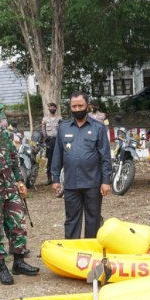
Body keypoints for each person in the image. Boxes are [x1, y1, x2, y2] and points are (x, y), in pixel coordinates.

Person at [0, 103, 39, 285]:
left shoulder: (4, 134)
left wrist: (19, 181)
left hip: (10, 186)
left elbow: (13, 159)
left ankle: (18, 262)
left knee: (18, 224)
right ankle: (1, 267)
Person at [51, 91, 112, 239]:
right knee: (71, 220)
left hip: (93, 183)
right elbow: (58, 154)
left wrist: (106, 181)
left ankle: (91, 253)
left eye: (80, 105)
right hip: (71, 183)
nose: (77, 109)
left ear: (87, 106)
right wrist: (55, 178)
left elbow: (105, 156)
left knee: (93, 219)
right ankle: (72, 253)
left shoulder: (98, 127)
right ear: (70, 107)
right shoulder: (63, 127)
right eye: (74, 106)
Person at [41, 102, 61, 186]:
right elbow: (43, 130)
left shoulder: (60, 118)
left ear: (56, 109)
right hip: (49, 141)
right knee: (49, 160)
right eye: (50, 107)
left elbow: (62, 130)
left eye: (53, 107)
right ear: (48, 109)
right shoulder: (45, 119)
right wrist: (45, 138)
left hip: (58, 140)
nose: (52, 108)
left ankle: (59, 178)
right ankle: (49, 178)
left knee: (59, 159)